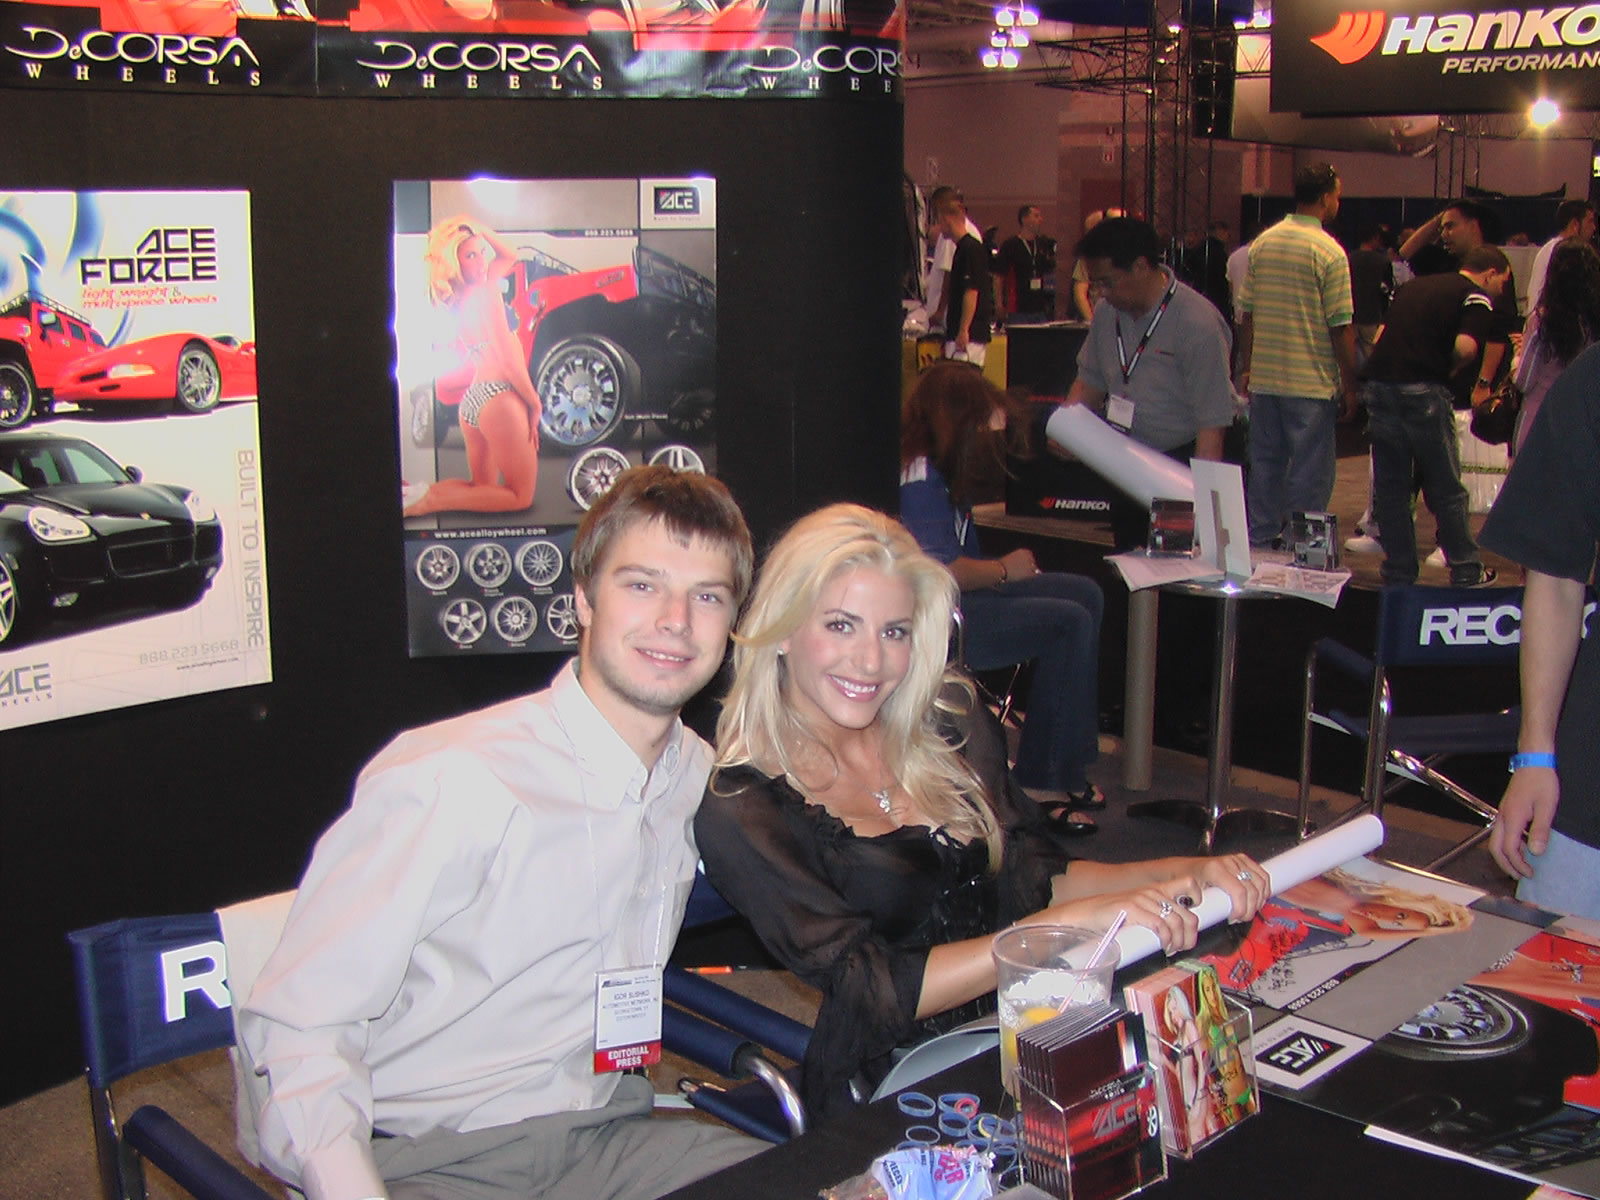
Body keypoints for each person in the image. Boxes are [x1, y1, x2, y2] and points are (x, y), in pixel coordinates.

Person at [240, 466, 760, 1200]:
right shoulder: (455, 779)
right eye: (642, 584)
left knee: (820, 1182)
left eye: (707, 595)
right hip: (431, 1158)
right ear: (583, 598)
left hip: (606, 1130)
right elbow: (301, 1024)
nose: (676, 619)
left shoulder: (693, 775)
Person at [695, 504, 1269, 1119]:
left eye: (894, 632)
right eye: (841, 625)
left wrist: (1180, 874)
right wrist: (1054, 934)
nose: (870, 662)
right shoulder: (743, 805)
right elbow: (872, 989)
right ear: (782, 630)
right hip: (895, 1091)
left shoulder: (951, 724)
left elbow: (1034, 874)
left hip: (1031, 1024)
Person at [899, 360, 1104, 817]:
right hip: (940, 619)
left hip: (964, 602)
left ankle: (1068, 763)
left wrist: (998, 573)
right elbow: (940, 572)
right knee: (1068, 621)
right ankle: (1044, 781)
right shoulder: (919, 478)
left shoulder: (941, 467)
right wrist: (1004, 571)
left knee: (1086, 594)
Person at [1480, 342, 1600, 921]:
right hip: (1589, 780)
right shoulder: (1593, 382)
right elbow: (1554, 578)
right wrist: (1534, 755)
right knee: (1547, 962)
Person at [1064, 215, 1237, 550]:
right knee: (1129, 559)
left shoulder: (1196, 323)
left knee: (1173, 566)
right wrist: (1067, 429)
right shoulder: (1107, 314)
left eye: (1107, 282)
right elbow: (1090, 380)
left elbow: (1212, 425)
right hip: (1126, 463)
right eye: (1096, 285)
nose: (1101, 293)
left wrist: (1204, 507)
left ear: (1141, 267)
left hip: (1178, 465)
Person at [1358, 244, 1510, 587]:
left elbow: (1379, 337)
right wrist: (1447, 370)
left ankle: (1399, 570)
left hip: (1380, 385)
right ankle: (1467, 570)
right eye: (1502, 282)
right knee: (1446, 486)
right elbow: (1466, 347)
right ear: (1490, 274)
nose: (1501, 291)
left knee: (1392, 487)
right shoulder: (1475, 297)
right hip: (1423, 389)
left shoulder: (1412, 287)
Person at [1234, 163, 1359, 548]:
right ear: (1326, 198)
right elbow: (1340, 325)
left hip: (1265, 380)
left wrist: (1247, 368)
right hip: (1311, 383)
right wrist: (1350, 384)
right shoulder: (1330, 252)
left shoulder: (1263, 244)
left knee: (1265, 466)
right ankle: (1304, 548)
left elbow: (1246, 315)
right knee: (1310, 472)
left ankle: (1259, 539)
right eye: (1337, 195)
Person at [404, 216, 542, 518]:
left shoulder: (460, 298)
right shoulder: (487, 292)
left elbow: (509, 255)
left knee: (480, 487)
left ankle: (415, 494)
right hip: (499, 396)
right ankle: (426, 503)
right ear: (454, 264)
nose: (481, 261)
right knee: (520, 496)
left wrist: (472, 225)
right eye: (470, 256)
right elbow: (507, 359)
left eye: (482, 252)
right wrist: (534, 402)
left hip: (474, 399)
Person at [1398, 198, 1518, 409]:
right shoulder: (1445, 262)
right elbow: (1406, 252)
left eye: (1451, 226)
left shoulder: (1493, 265)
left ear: (1473, 225)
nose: (1444, 234)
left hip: (1476, 380)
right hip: (1449, 380)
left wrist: (1484, 382)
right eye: (1442, 229)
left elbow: (1498, 331)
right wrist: (1441, 218)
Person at [1512, 237, 1600, 455]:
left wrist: (1516, 358)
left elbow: (1524, 381)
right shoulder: (1594, 324)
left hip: (1539, 420)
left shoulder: (1542, 322)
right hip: (1584, 423)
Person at [935, 192, 994, 368]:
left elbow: (971, 291)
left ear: (947, 219)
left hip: (969, 335)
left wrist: (964, 330)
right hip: (960, 331)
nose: (938, 228)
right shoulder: (961, 249)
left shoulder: (970, 249)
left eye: (939, 222)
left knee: (963, 378)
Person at [1525, 199, 1596, 315]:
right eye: (1590, 221)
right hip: (1547, 319)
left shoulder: (1552, 247)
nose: (1594, 227)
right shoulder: (1564, 251)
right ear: (1575, 224)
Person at [995, 204, 1057, 324]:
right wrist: (999, 303)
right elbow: (999, 277)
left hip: (1039, 307)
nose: (1040, 219)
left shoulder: (1042, 244)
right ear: (1024, 219)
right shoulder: (1010, 245)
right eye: (1036, 216)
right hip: (1018, 307)